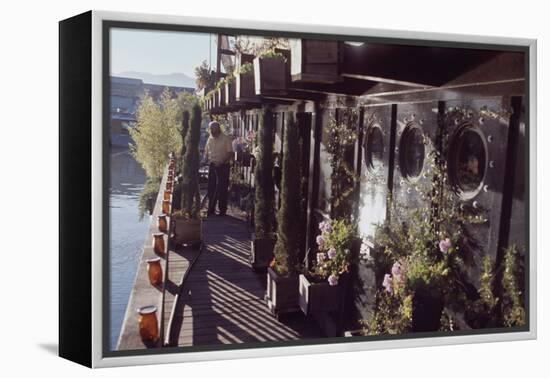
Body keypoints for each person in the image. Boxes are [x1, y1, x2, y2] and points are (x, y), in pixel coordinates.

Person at [204, 121, 233, 216]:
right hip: (213, 165)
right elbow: (206, 152)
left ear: (218, 129)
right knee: (211, 188)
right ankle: (211, 209)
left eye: (214, 129)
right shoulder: (210, 139)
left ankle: (222, 210)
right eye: (211, 129)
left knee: (222, 188)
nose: (212, 131)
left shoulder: (226, 139)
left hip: (223, 166)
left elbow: (230, 153)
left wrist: (222, 161)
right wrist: (204, 160)